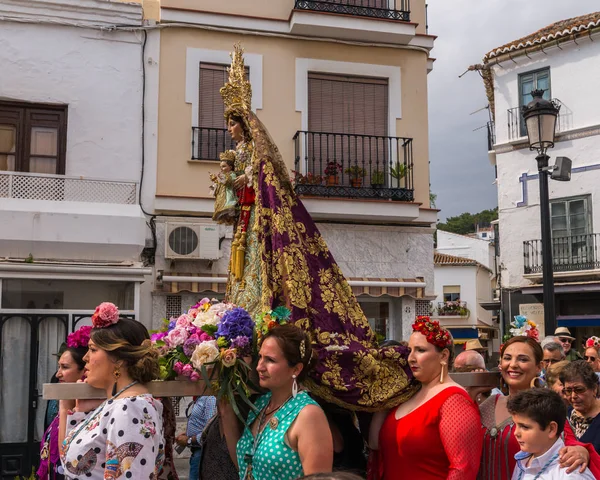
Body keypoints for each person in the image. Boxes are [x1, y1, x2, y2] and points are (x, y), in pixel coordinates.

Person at [218, 44, 416, 411]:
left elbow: (265, 178)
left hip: (260, 223)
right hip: (247, 225)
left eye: (233, 121)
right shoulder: (240, 153)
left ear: (245, 123)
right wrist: (230, 181)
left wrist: (240, 179)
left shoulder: (255, 150)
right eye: (228, 122)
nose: (229, 129)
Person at [58, 302, 165, 479]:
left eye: (92, 350)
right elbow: (70, 464)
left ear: (118, 359)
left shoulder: (131, 407)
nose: (85, 357)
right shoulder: (120, 404)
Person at [369, 317, 483, 480]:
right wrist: (386, 398)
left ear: (443, 355)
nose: (411, 358)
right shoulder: (406, 395)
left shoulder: (454, 400)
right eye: (409, 351)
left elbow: (463, 469)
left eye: (420, 350)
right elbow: (375, 444)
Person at [220, 324, 333, 480]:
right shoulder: (261, 404)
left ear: (296, 369)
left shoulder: (308, 415)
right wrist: (226, 411)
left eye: (270, 360)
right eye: (260, 357)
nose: (259, 367)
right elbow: (245, 467)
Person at [478, 335, 598, 480]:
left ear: (539, 367)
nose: (513, 364)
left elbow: (568, 441)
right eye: (507, 358)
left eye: (523, 359)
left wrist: (580, 451)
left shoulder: (546, 407)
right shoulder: (489, 404)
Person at [38, 327, 90, 480]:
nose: (57, 373)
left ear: (84, 371)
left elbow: (66, 456)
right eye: (59, 366)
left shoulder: (87, 411)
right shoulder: (62, 397)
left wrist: (64, 406)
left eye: (65, 367)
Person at [507, 389, 595, 480]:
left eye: (525, 427)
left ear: (551, 429)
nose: (516, 433)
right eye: (515, 425)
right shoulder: (523, 460)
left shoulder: (571, 475)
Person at [559, 360, 600, 454]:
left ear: (594, 389)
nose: (573, 396)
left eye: (579, 390)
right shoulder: (563, 414)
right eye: (568, 391)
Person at [175, 395, 217, 480]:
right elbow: (200, 424)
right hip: (196, 450)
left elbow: (210, 430)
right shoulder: (199, 398)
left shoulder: (210, 399)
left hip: (202, 451)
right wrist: (187, 434)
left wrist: (189, 440)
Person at [210, 151, 238, 225]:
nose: (222, 169)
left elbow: (230, 182)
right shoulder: (222, 175)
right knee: (220, 207)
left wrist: (223, 178)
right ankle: (223, 218)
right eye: (221, 167)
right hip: (221, 195)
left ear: (230, 167)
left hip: (228, 194)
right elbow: (219, 184)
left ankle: (229, 217)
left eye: (224, 166)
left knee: (228, 207)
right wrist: (215, 181)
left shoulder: (232, 174)